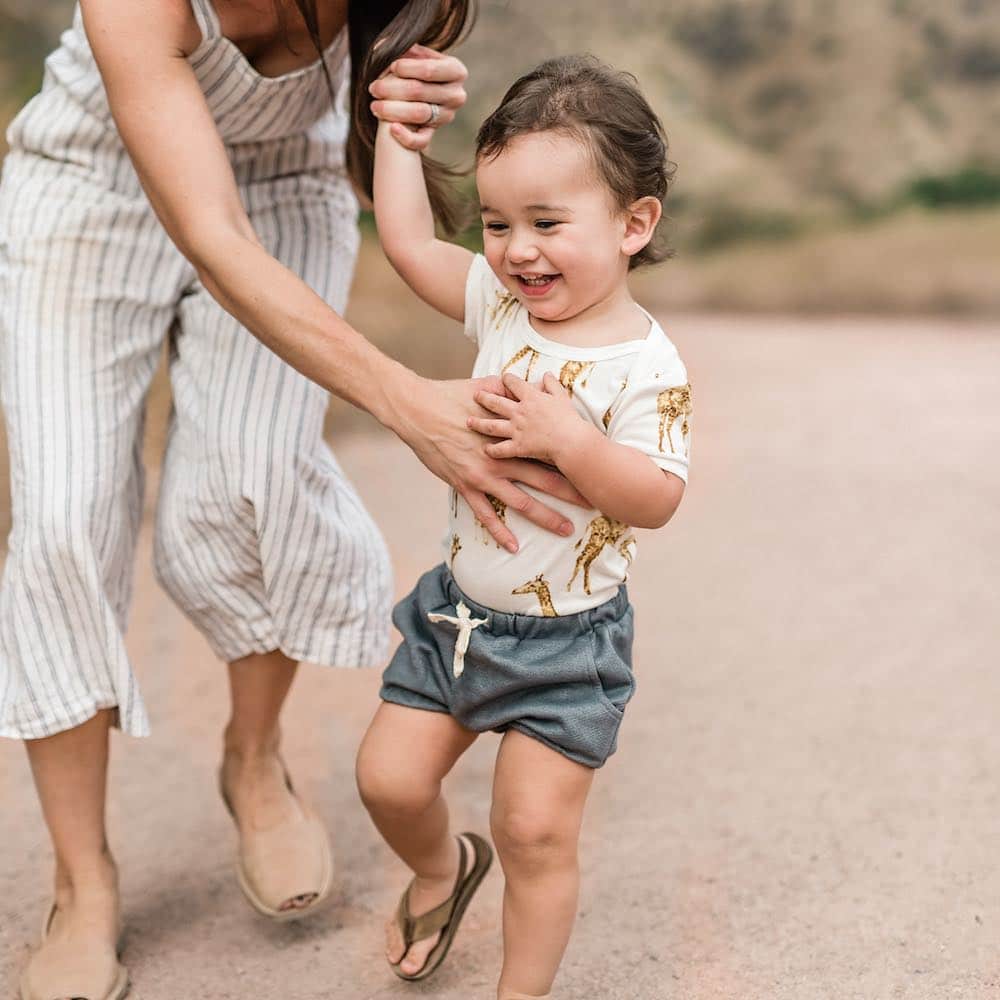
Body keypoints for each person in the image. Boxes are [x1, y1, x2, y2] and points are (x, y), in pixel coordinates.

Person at [0, 3, 588, 998]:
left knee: (253, 480)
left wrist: (404, 126)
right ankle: (82, 880)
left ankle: (252, 755)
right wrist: (405, 401)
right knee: (63, 519)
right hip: (89, 190)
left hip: (284, 192)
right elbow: (210, 234)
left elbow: (379, 181)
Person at [356, 53, 693, 999]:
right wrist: (398, 139)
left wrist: (572, 443)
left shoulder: (647, 367)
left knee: (535, 832)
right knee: (387, 781)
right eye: (499, 223)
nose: (517, 249)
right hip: (457, 620)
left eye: (548, 224)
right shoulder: (502, 306)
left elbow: (657, 498)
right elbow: (412, 245)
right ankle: (438, 868)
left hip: (566, 645)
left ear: (634, 225)